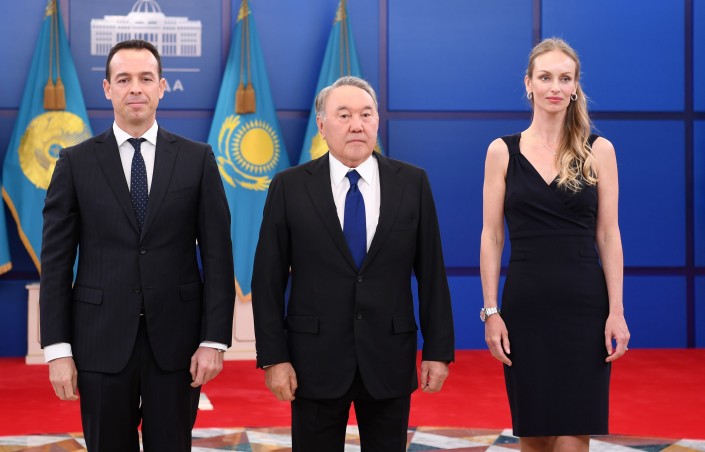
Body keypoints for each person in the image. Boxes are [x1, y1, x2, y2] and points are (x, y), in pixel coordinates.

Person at [39, 39, 235, 451]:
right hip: (99, 342)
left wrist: (213, 340)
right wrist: (57, 349)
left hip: (178, 346)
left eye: (146, 78)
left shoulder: (197, 159)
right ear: (107, 88)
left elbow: (218, 256)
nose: (135, 88)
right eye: (124, 79)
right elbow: (56, 262)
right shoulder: (75, 162)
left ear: (161, 87)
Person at [252, 75, 455, 451]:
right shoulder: (289, 187)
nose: (357, 125)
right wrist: (273, 358)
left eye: (366, 114)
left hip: (388, 357)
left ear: (377, 120)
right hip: (313, 362)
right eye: (343, 115)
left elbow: (432, 274)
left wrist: (438, 351)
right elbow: (267, 280)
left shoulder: (412, 183)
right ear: (322, 125)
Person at [480, 37, 630, 452]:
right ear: (528, 84)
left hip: (585, 307)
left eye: (565, 78)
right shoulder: (502, 151)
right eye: (545, 77)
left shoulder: (599, 151)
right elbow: (491, 235)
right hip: (526, 306)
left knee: (573, 435)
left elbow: (609, 235)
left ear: (575, 86)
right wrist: (491, 311)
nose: (555, 87)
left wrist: (616, 311)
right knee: (535, 435)